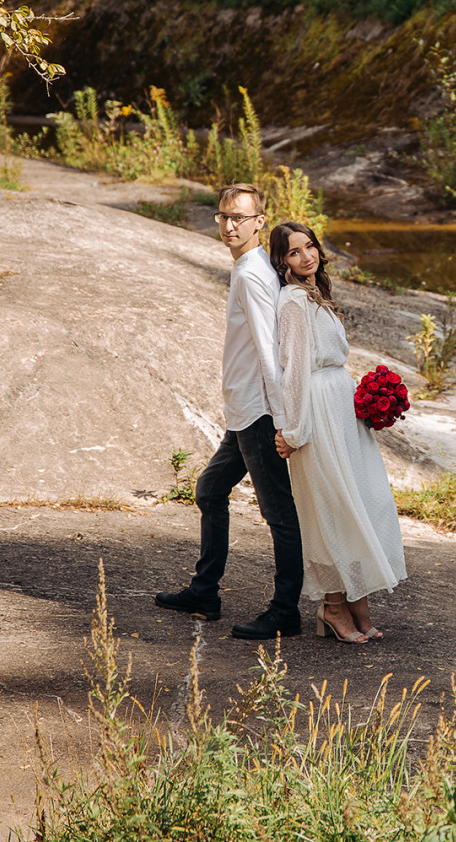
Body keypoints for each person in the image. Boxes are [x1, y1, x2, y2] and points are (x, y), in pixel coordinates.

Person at [155, 183, 304, 639]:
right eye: (223, 217)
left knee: (278, 513)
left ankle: (285, 611)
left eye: (240, 217)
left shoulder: (253, 274)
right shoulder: (251, 266)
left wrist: (282, 420)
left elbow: (268, 348)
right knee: (210, 488)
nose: (230, 225)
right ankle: (205, 591)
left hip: (259, 411)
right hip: (244, 408)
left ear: (261, 221)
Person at [270, 221, 407, 643]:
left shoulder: (316, 294)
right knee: (329, 508)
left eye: (309, 247)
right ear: (282, 261)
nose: (306, 256)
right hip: (316, 412)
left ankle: (357, 601)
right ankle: (333, 606)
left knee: (361, 502)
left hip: (340, 408)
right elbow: (293, 370)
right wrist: (291, 430)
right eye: (294, 252)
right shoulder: (293, 301)